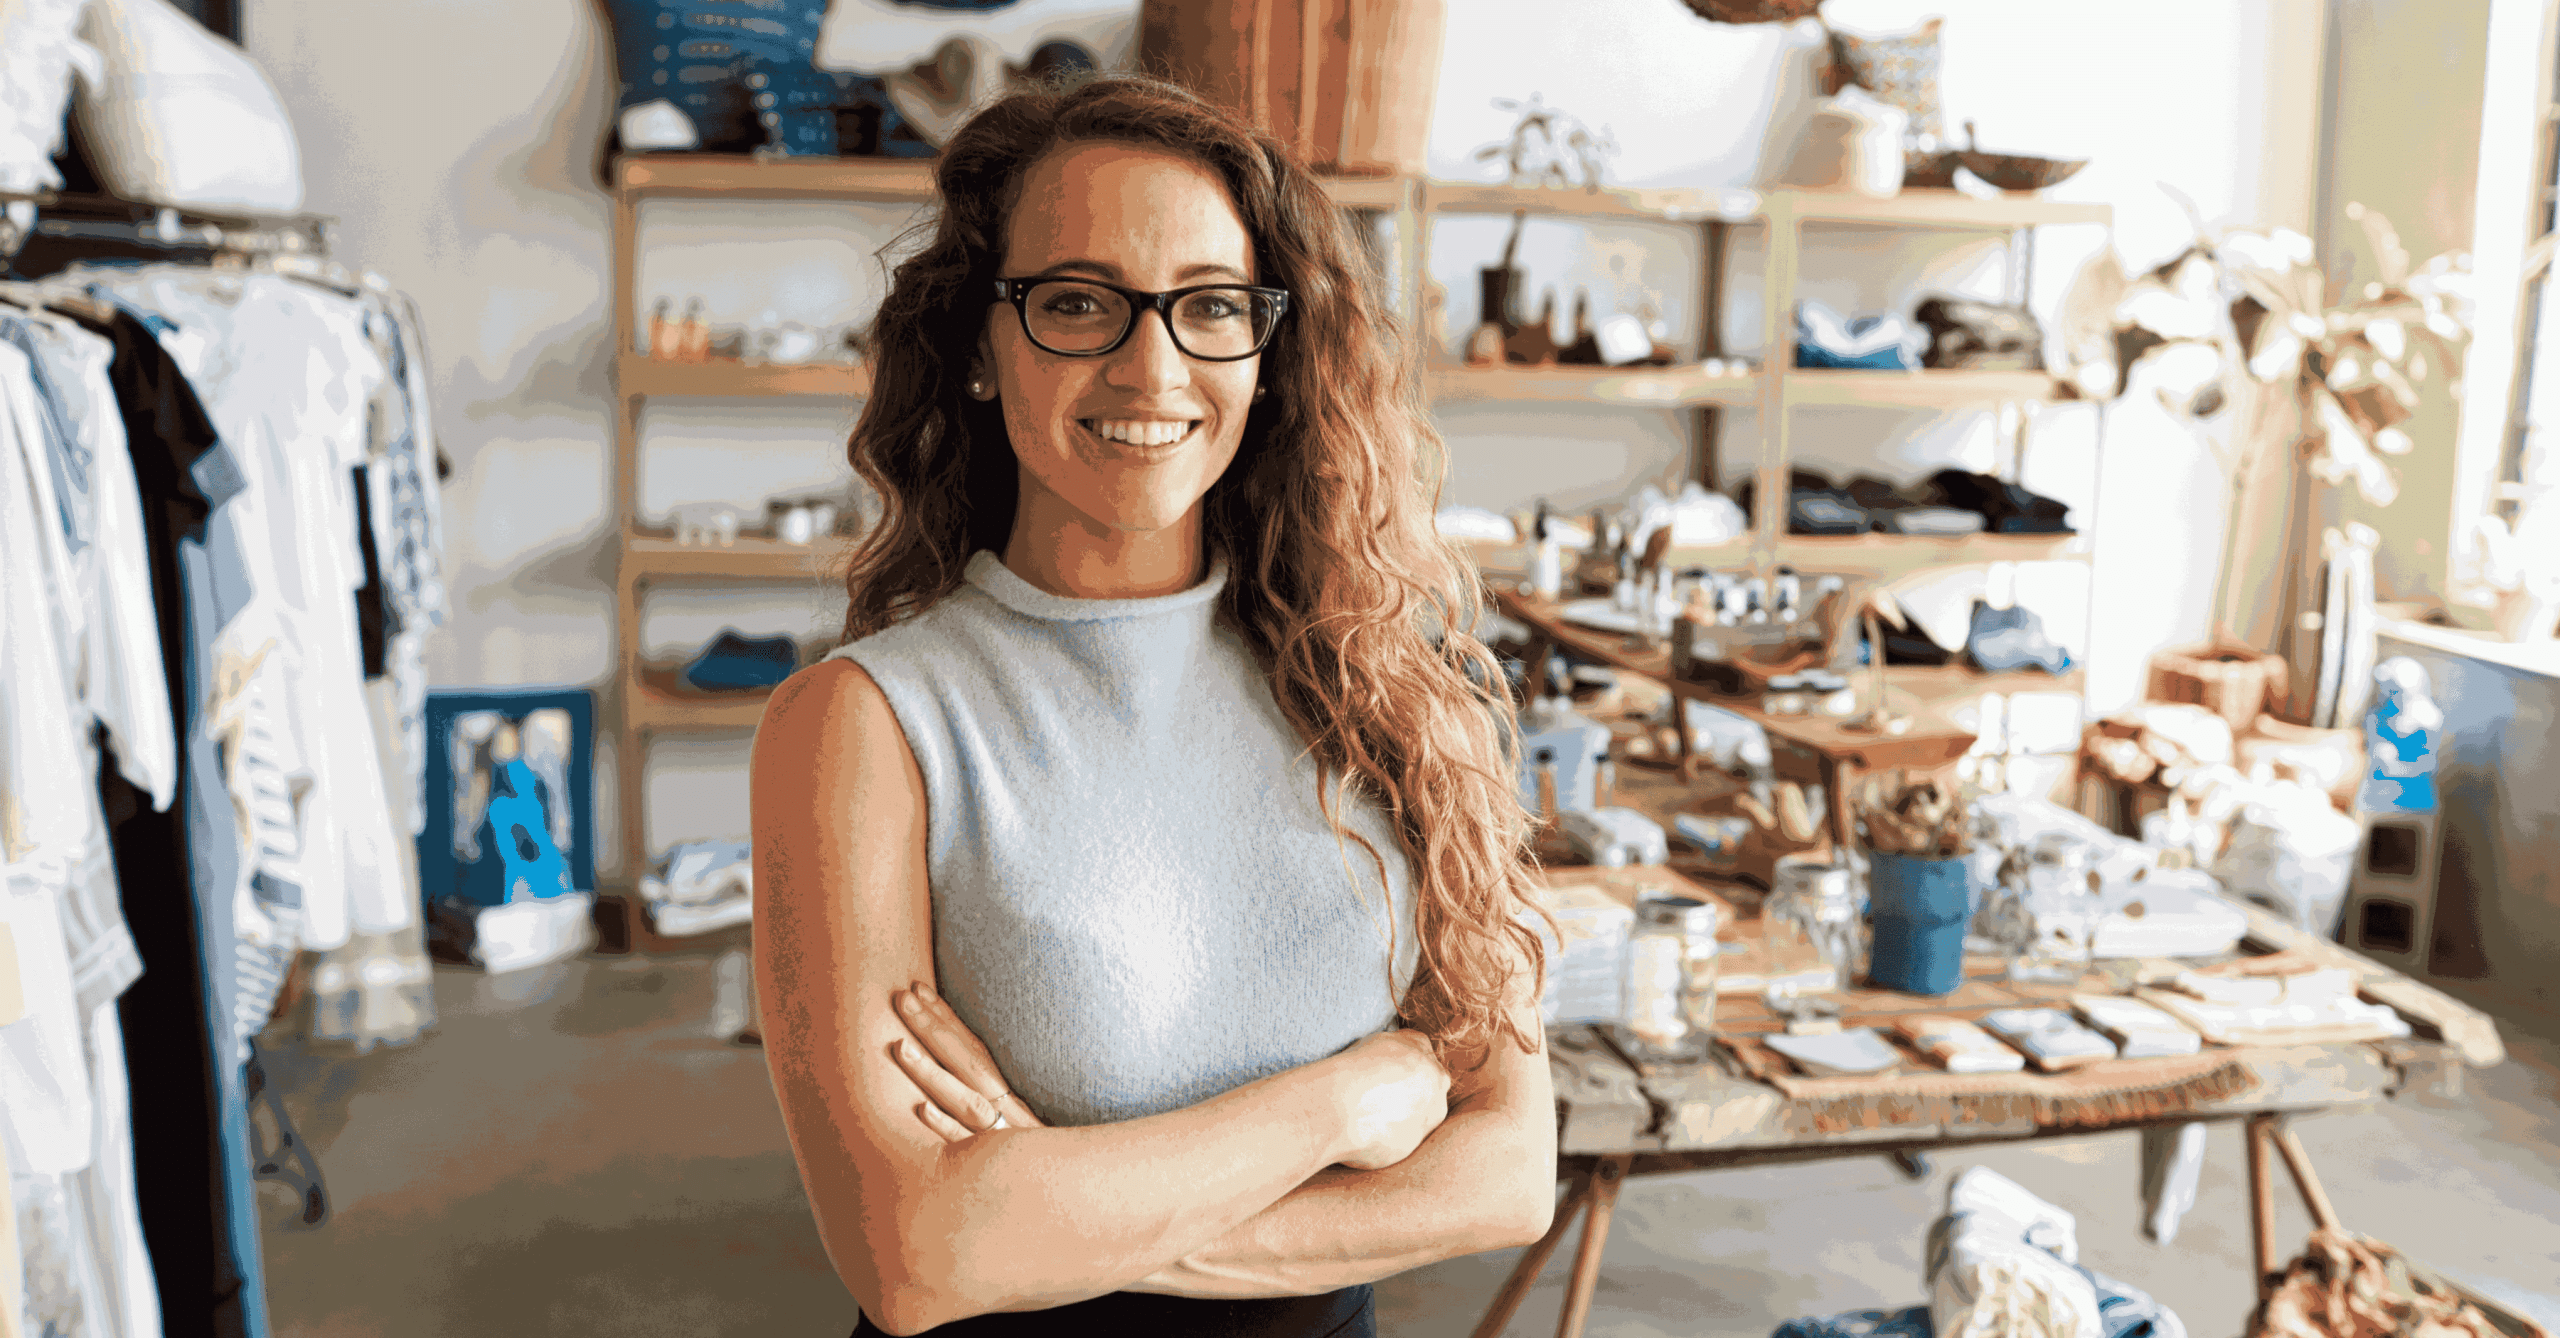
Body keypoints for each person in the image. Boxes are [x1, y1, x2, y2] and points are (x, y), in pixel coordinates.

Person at [750, 73, 1560, 1338]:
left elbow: (1509, 1176)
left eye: (1209, 307)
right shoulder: (864, 726)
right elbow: (910, 1260)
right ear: (976, 342)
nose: (1151, 365)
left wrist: (1040, 1219)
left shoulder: (1389, 688)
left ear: (1268, 348)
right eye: (1076, 303)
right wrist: (1343, 1105)